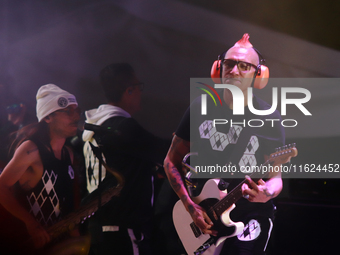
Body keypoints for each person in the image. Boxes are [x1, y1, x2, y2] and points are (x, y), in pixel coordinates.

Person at [164, 33, 285, 255]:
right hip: (206, 215)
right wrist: (191, 208)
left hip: (251, 215)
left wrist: (266, 192)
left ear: (259, 76)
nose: (234, 70)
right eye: (229, 64)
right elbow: (171, 162)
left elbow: (276, 179)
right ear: (218, 69)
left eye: (244, 66)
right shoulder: (200, 106)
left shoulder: (269, 117)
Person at [82, 62, 169, 255]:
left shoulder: (98, 126)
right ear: (129, 90)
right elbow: (167, 152)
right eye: (139, 87)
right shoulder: (122, 128)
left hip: (102, 230)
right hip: (122, 234)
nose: (140, 92)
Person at [0, 84, 82, 254]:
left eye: (77, 111)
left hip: (59, 245)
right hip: (30, 247)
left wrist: (74, 231)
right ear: (47, 117)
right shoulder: (31, 150)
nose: (75, 116)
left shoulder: (68, 154)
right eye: (68, 111)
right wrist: (31, 224)